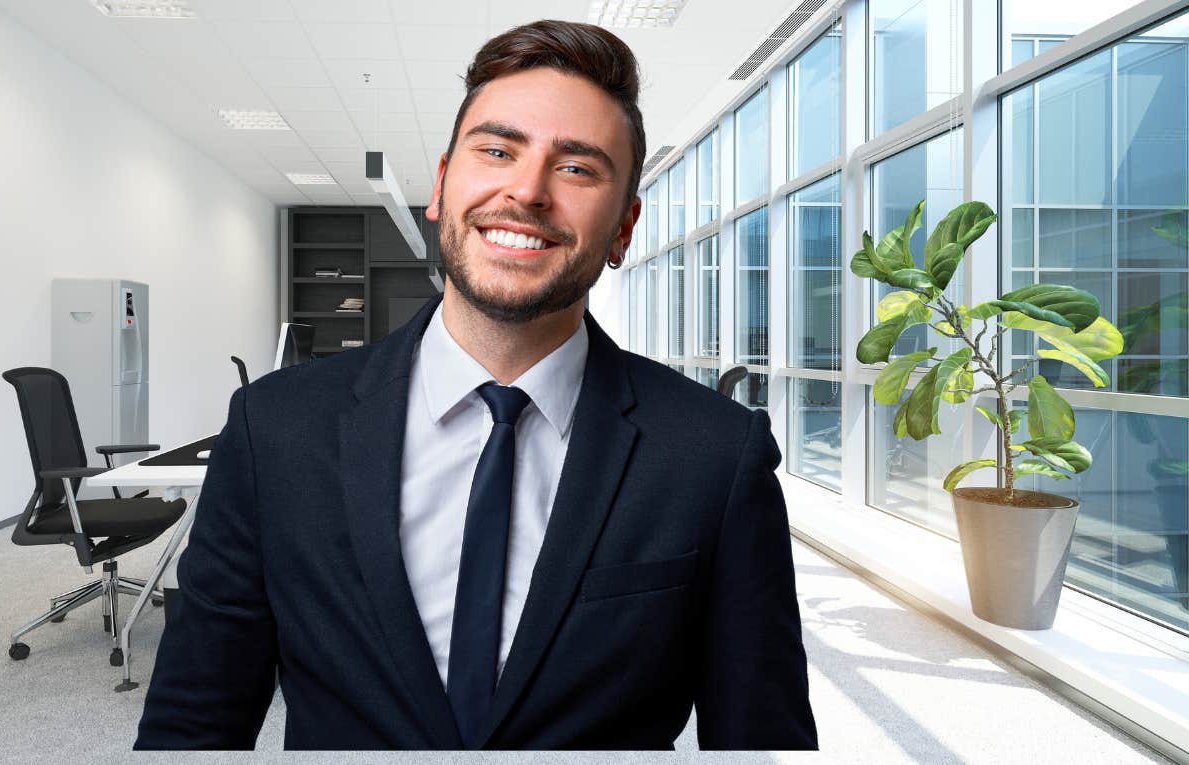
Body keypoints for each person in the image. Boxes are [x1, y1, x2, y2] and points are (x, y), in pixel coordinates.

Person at [135, 19, 817, 751]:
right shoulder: (275, 429)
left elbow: (759, 739)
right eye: (497, 150)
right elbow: (194, 724)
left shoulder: (715, 454)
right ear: (440, 186)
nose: (526, 191)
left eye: (578, 168)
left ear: (623, 229)